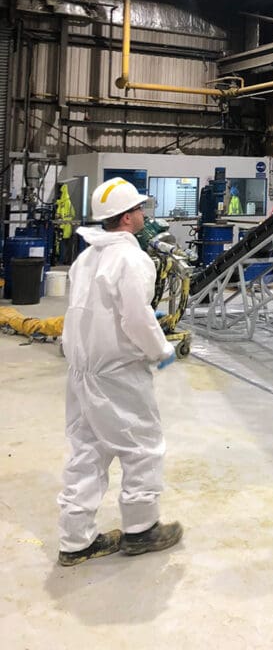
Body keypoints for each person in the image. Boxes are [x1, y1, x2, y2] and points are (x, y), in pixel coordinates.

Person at [57, 177, 183, 566]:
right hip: (117, 372)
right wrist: (159, 348)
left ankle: (75, 541)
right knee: (141, 446)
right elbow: (136, 316)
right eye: (140, 209)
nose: (145, 214)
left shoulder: (88, 257)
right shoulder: (130, 258)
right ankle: (141, 530)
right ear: (127, 218)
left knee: (86, 451)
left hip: (82, 371)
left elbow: (92, 311)